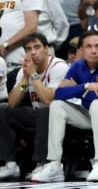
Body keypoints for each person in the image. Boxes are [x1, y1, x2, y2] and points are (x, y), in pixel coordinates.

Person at [31, 30, 98, 183]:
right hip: (91, 114)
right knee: (57, 105)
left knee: (97, 104)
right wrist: (85, 86)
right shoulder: (77, 66)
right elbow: (58, 94)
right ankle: (54, 165)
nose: (94, 50)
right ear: (82, 50)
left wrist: (76, 89)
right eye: (89, 46)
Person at [0, 33, 68, 181]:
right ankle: (10, 164)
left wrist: (34, 76)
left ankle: (42, 163)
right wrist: (25, 77)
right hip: (39, 118)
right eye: (28, 49)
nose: (33, 52)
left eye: (37, 47)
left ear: (47, 49)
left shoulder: (59, 66)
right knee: (3, 110)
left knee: (45, 110)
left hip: (62, 119)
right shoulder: (26, 70)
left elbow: (49, 100)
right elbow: (12, 103)